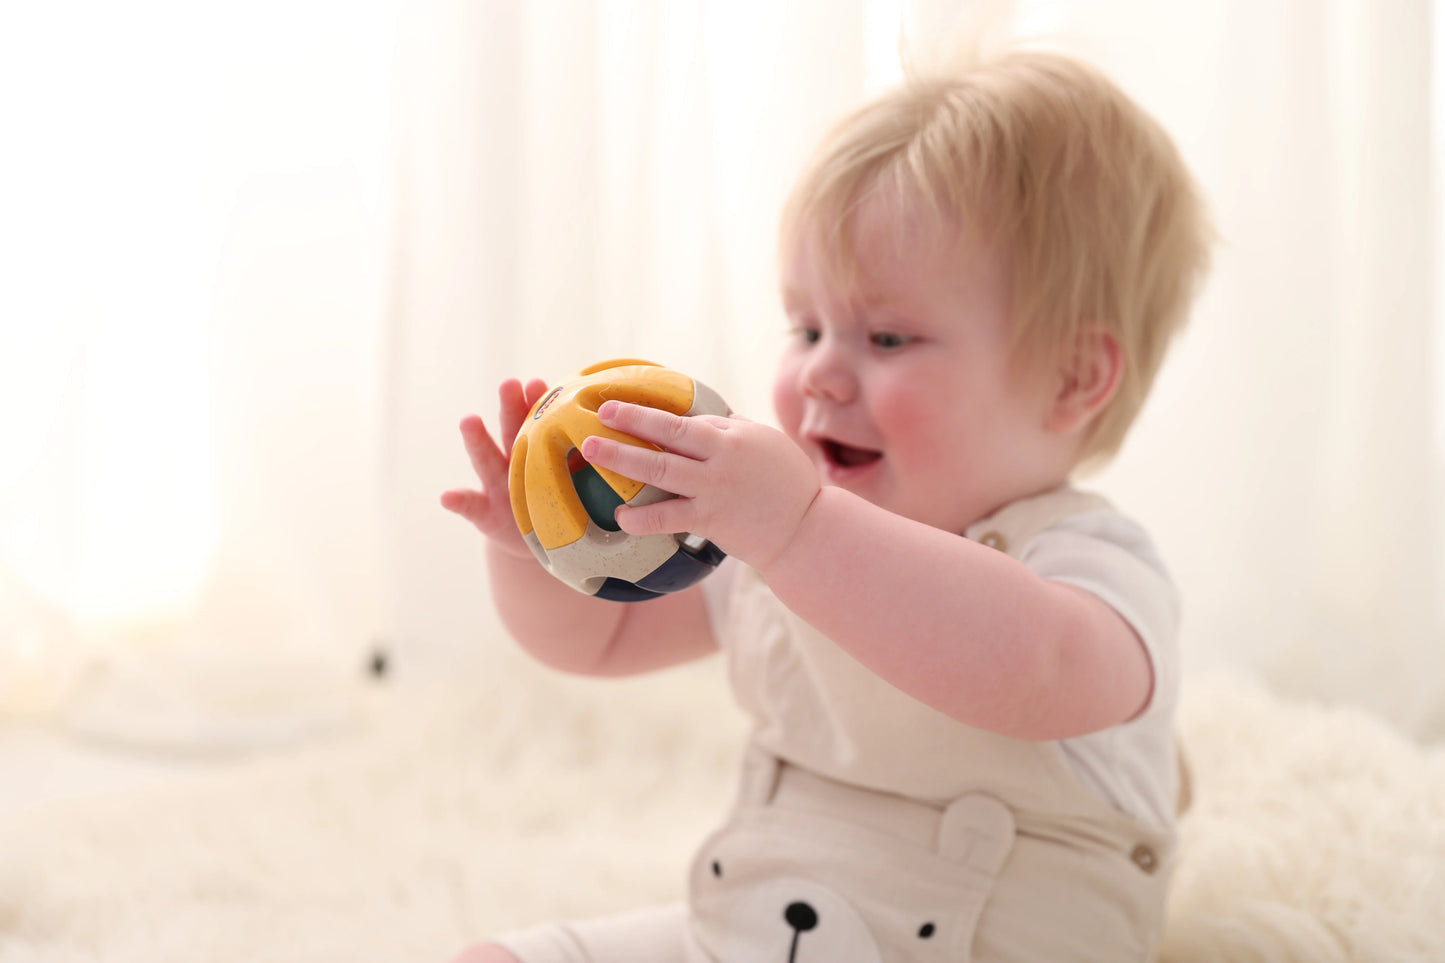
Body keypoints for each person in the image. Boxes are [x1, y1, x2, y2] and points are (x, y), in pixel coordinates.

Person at [442, 46, 1210, 963]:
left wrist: (801, 528)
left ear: (1072, 379)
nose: (818, 373)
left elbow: (1026, 671)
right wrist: (541, 550)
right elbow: (601, 640)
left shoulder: (1088, 568)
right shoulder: (767, 538)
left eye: (886, 335)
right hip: (745, 934)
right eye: (804, 327)